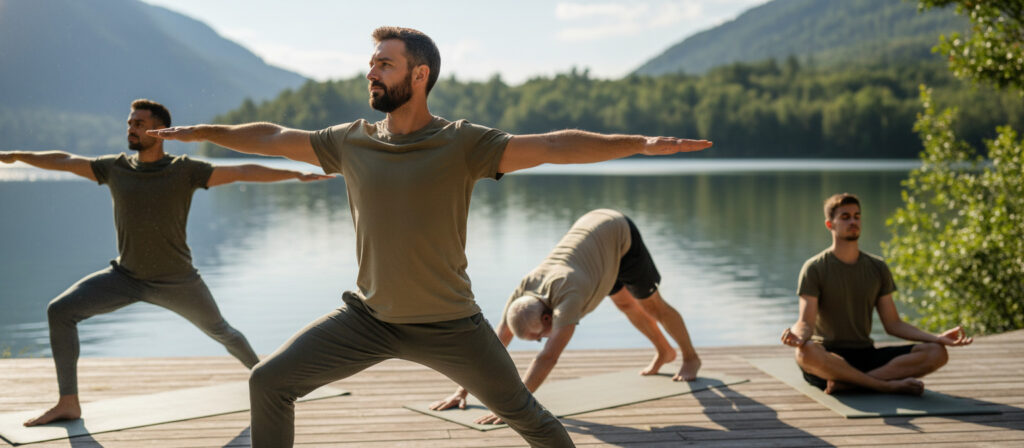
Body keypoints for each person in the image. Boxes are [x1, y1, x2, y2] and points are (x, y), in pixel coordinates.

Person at [149, 26, 712, 448]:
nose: (372, 73)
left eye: (385, 65)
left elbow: (554, 145)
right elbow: (273, 135)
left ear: (419, 76)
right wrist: (202, 133)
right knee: (269, 381)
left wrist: (638, 141)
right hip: (368, 319)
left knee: (528, 417)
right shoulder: (350, 141)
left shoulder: (464, 143)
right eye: (371, 64)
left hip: (450, 326)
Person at [0, 99, 331, 427]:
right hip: (126, 277)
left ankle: (269, 383)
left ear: (159, 131)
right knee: (60, 311)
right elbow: (66, 160)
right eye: (129, 123)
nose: (131, 129)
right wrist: (15, 156)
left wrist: (296, 174)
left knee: (224, 333)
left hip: (178, 282)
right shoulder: (114, 168)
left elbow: (241, 171)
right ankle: (68, 403)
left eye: (139, 123)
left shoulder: (184, 170)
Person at [430, 208, 702, 424]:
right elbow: (492, 350)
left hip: (618, 234)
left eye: (538, 337)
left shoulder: (568, 298)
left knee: (652, 305)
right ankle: (665, 351)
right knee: (626, 305)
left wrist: (516, 409)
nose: (541, 341)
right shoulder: (523, 294)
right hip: (595, 254)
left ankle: (691, 357)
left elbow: (547, 356)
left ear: (549, 319)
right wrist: (461, 391)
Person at [780, 193, 973, 396]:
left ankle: (852, 383)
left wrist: (937, 338)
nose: (853, 221)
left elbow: (893, 324)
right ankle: (884, 385)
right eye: (845, 217)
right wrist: (797, 336)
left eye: (857, 216)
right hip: (829, 357)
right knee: (806, 352)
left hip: (866, 355)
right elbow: (806, 322)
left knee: (937, 352)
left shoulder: (877, 267)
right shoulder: (815, 268)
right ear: (830, 224)